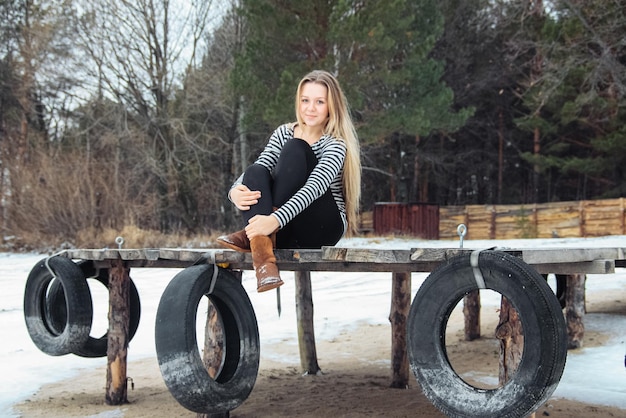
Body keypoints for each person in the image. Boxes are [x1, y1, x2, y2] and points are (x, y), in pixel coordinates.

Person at [217, 70, 361, 292]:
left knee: (296, 148)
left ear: (332, 106)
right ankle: (264, 260)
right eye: (305, 100)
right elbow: (262, 164)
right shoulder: (283, 132)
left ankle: (255, 238)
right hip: (285, 228)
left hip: (321, 227)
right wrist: (234, 191)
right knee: (257, 171)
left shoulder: (335, 144)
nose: (310, 108)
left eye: (319, 102)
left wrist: (273, 219)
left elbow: (315, 187)